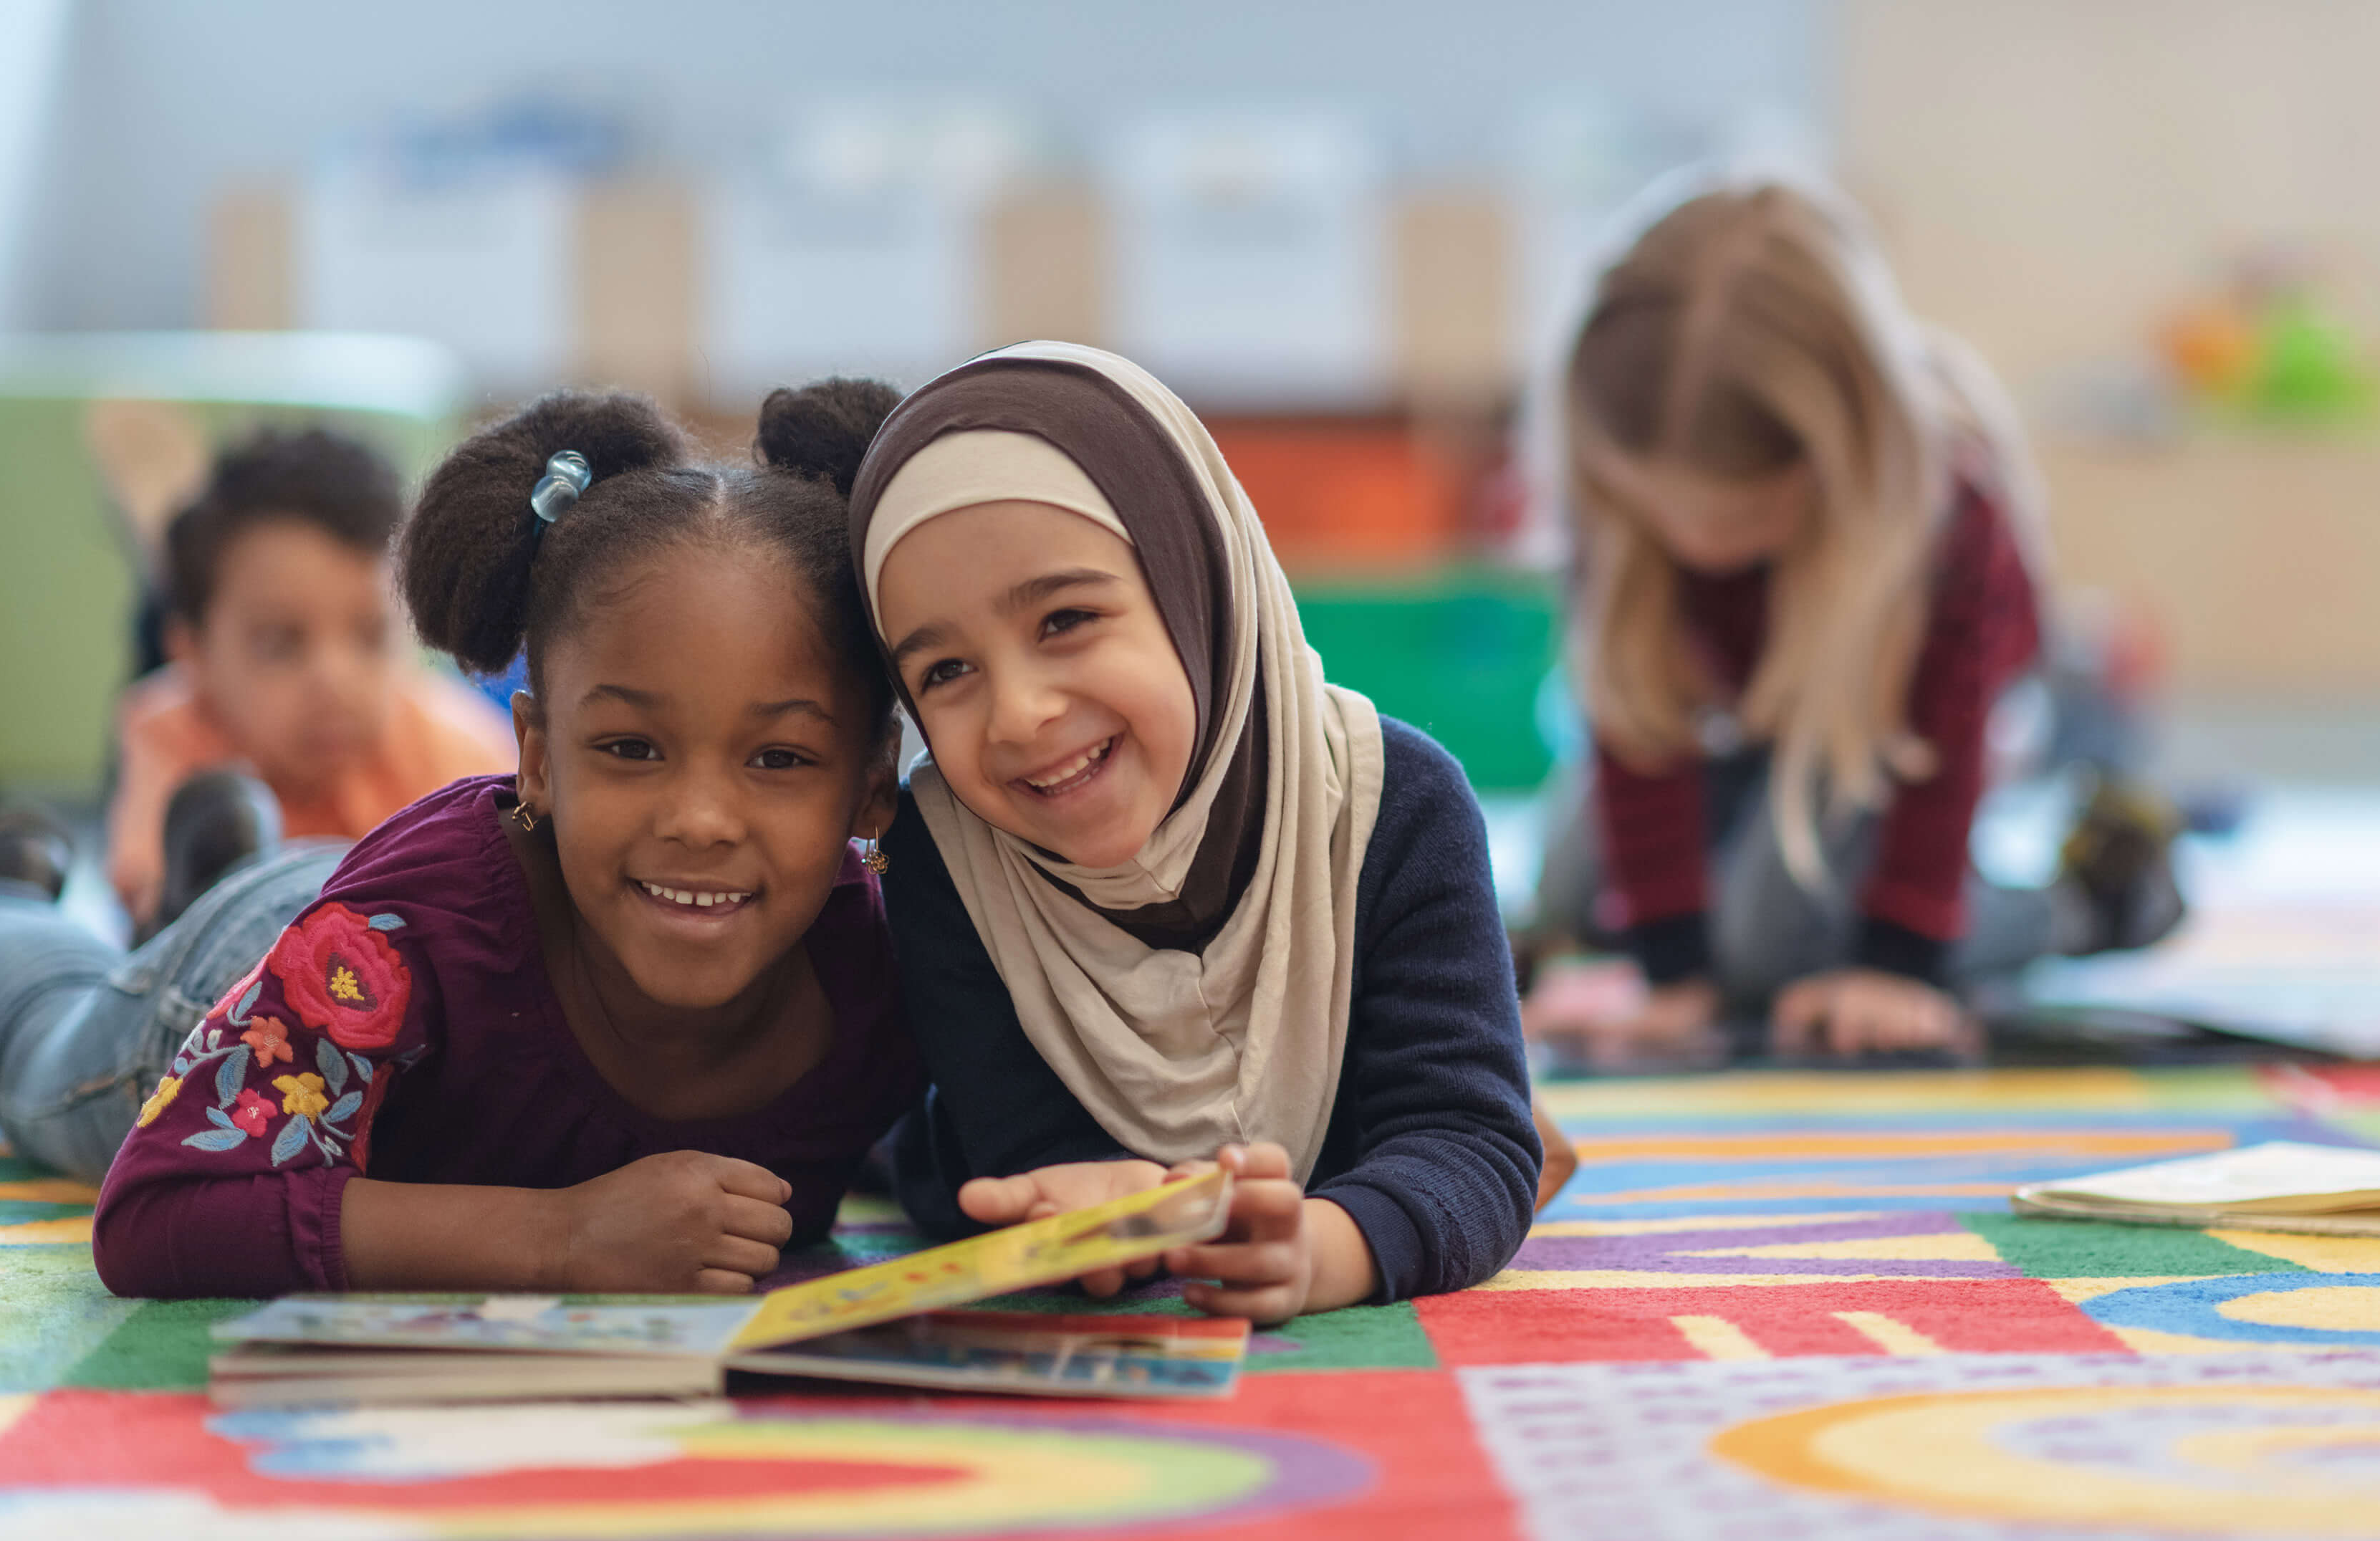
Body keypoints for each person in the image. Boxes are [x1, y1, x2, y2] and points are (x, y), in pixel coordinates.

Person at [0, 380, 918, 1298]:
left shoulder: (888, 966)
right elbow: (155, 1213)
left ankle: (228, 865)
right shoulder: (419, 926)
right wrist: (562, 1237)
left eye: (779, 759)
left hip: (337, 909)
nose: (700, 819)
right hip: (291, 968)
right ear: (535, 757)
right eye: (629, 747)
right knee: (53, 1042)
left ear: (872, 789)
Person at [850, 344, 1540, 1324]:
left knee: (1505, 1112)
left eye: (1065, 620)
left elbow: (1468, 1149)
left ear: (1196, 585)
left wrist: (1326, 1249)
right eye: (945, 674)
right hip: (945, 1166)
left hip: (1344, 1173)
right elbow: (1026, 1150)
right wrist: (1087, 1208)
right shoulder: (946, 858)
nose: (1016, 715)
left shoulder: (1395, 806)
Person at [1536, 178, 2183, 1065]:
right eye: (1661, 515)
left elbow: (1940, 757)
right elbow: (1639, 733)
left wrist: (1897, 964)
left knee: (1770, 948)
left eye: (1730, 520)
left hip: (1893, 735)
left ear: (1834, 454)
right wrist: (1671, 969)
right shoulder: (1615, 489)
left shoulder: (1945, 509)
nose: (1689, 541)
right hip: (1753, 720)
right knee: (1572, 887)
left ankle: (2091, 899)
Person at [107, 427, 515, 935]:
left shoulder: (460, 758)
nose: (334, 682)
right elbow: (146, 899)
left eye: (371, 637)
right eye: (281, 644)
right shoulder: (173, 730)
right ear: (193, 655)